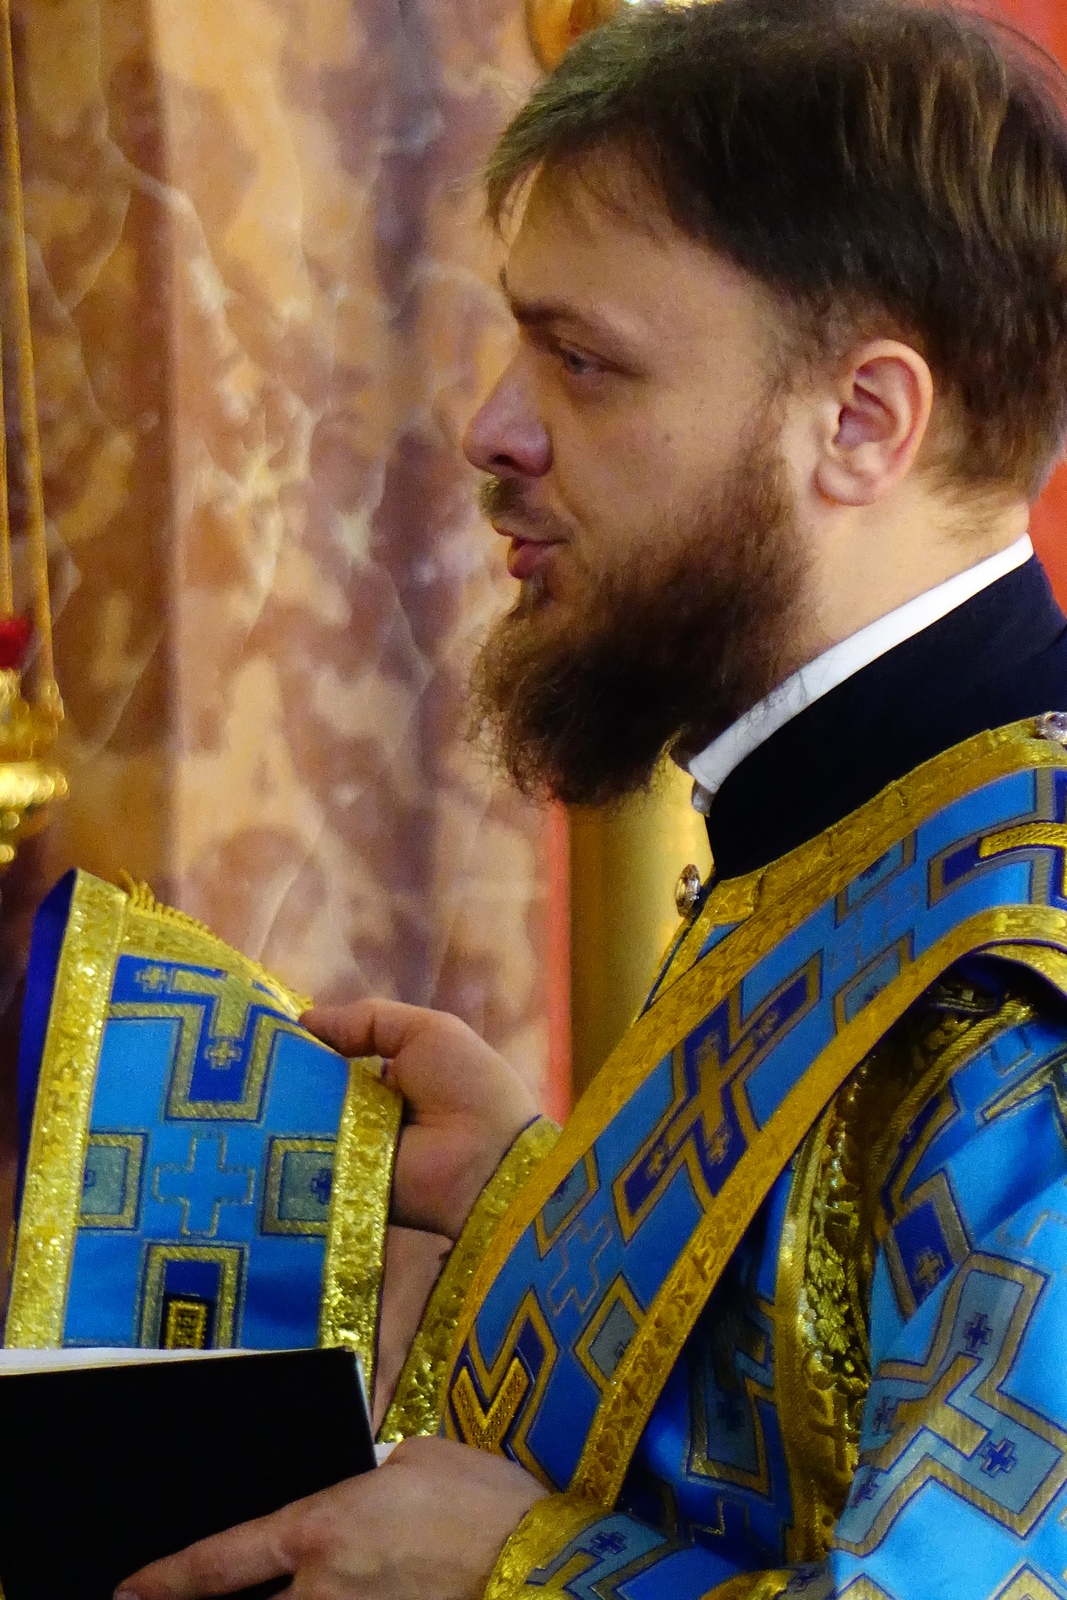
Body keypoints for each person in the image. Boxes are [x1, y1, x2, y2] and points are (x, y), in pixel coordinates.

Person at [116, 1, 1067, 1596]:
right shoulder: (866, 823)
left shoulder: (1018, 963)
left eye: (584, 362)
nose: (493, 425)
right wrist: (532, 1221)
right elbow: (810, 1392)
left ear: (863, 421)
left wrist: (526, 1578)